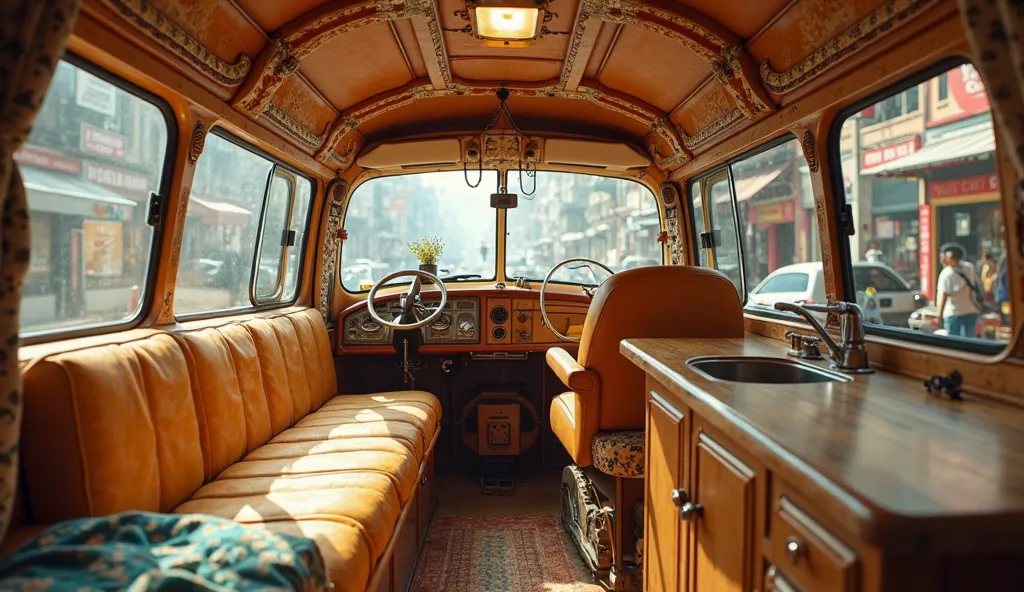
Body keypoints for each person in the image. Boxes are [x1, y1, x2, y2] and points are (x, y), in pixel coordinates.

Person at [936, 243, 981, 337]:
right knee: (970, 342)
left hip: (954, 313)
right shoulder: (970, 267)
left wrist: (939, 316)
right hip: (972, 310)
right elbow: (976, 283)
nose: (941, 259)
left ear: (949, 256)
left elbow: (943, 296)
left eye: (943, 255)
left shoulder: (946, 274)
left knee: (954, 343)